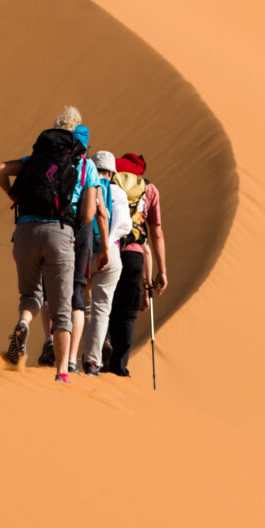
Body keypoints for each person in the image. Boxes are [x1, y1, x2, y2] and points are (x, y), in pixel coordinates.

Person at [0, 106, 93, 383]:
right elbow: (87, 215)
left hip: (24, 229)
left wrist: (13, 193)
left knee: (30, 295)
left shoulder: (36, 157)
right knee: (62, 311)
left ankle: (23, 323)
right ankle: (62, 373)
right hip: (60, 233)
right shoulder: (84, 164)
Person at [38, 123, 100, 372]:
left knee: (48, 287)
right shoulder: (88, 166)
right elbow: (90, 214)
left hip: (51, 225)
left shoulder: (50, 159)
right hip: (78, 229)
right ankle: (72, 359)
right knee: (76, 293)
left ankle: (49, 341)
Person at [105, 152, 168, 377]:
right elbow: (156, 233)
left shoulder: (108, 182)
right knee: (127, 313)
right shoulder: (149, 190)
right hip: (134, 255)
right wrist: (162, 271)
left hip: (105, 249)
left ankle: (98, 352)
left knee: (102, 305)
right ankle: (119, 367)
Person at [81, 150, 130, 376]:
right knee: (102, 310)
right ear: (112, 172)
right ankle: (92, 362)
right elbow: (124, 225)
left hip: (84, 253)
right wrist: (108, 245)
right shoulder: (117, 192)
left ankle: (71, 359)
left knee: (83, 306)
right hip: (109, 255)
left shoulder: (86, 187)